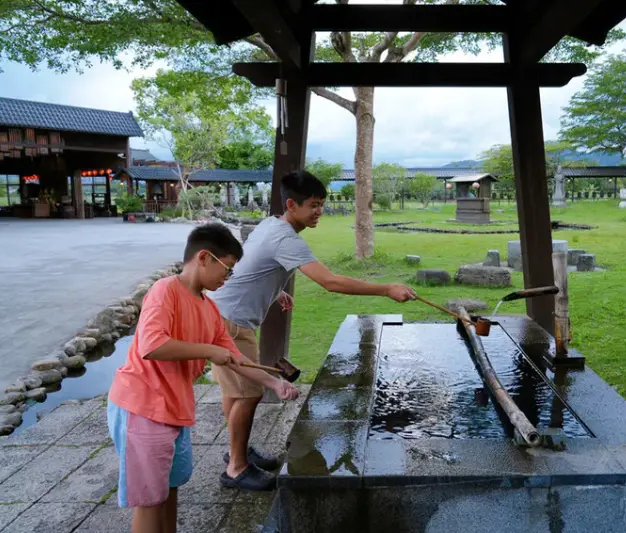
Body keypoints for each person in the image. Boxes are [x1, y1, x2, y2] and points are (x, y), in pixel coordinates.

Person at [208, 169, 416, 491]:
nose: (319, 211)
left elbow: (249, 269)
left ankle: (239, 449)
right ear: (292, 205)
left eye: (322, 204)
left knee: (234, 391)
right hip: (231, 325)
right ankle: (236, 468)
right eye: (314, 205)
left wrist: (276, 290)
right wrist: (386, 289)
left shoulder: (269, 225)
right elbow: (330, 282)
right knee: (249, 395)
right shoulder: (286, 238)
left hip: (221, 314)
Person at [106, 223, 300, 533]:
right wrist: (209, 350)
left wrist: (274, 384)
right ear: (205, 258)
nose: (228, 277)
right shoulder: (165, 290)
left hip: (173, 411)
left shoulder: (210, 309)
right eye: (228, 268)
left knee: (169, 490)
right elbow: (152, 345)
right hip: (142, 407)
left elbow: (236, 360)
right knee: (150, 501)